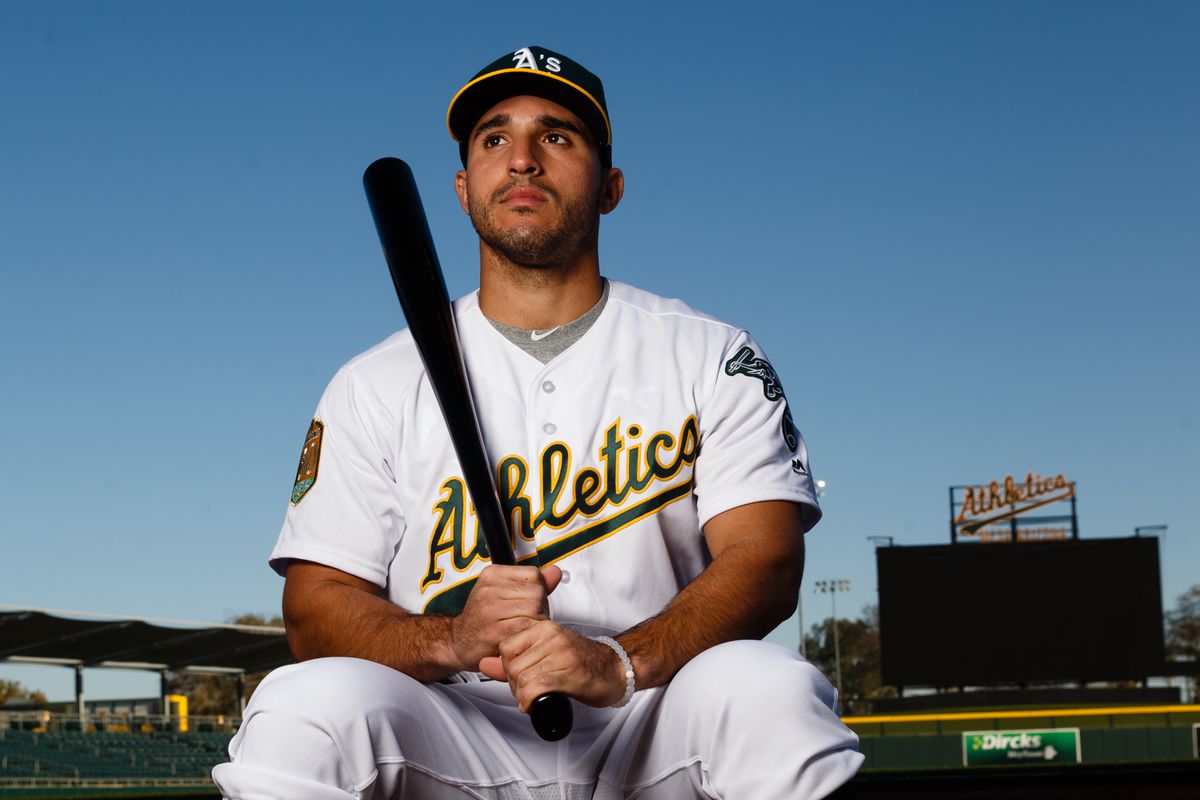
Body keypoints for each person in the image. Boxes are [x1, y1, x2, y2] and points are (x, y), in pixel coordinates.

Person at [213, 45, 863, 800]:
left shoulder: (709, 354)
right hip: (453, 719)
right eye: (494, 138)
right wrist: (452, 638)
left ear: (611, 187)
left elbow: (766, 560)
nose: (522, 159)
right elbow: (313, 608)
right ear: (464, 189)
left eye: (557, 136)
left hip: (649, 710)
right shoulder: (374, 382)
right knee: (303, 708)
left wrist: (616, 662)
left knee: (771, 689)